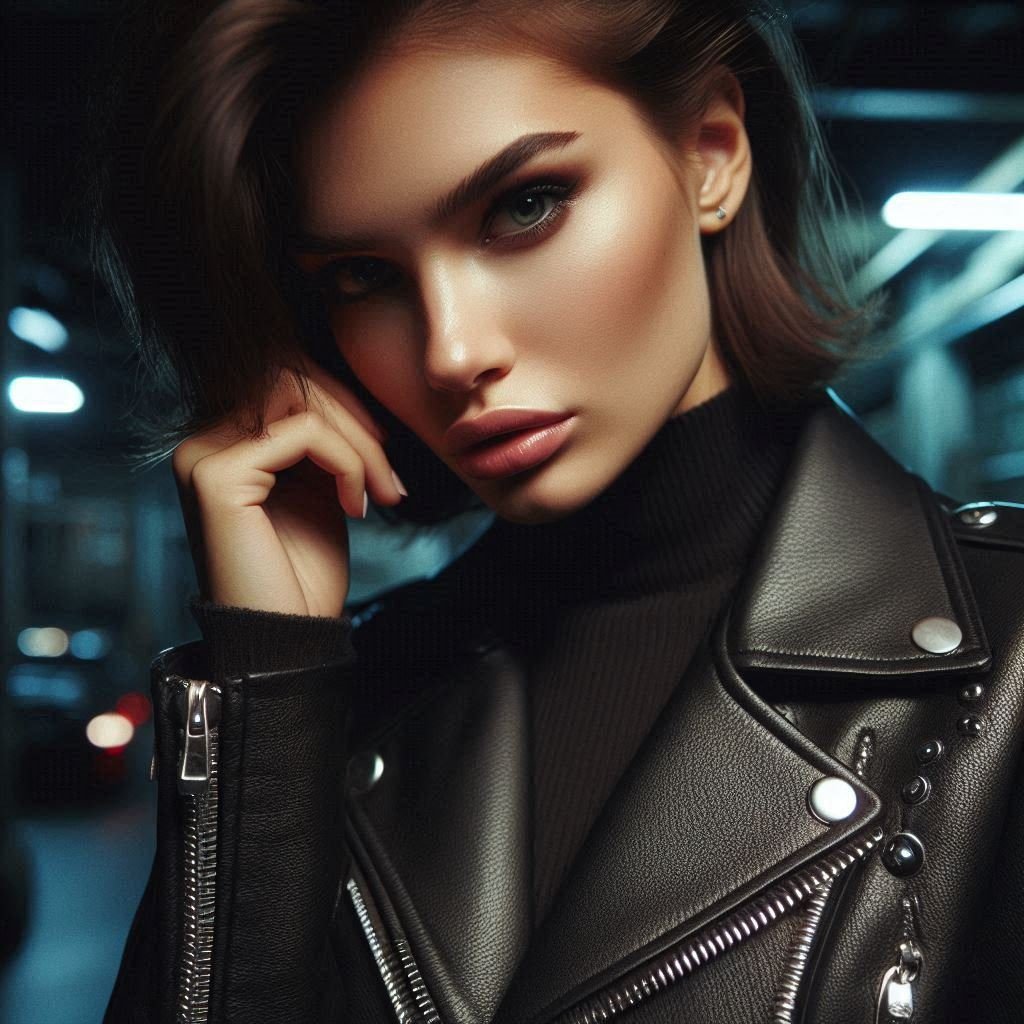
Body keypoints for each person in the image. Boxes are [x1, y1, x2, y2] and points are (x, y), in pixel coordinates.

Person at [86, 1, 1024, 1022]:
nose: (450, 349)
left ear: (710, 153)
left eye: (524, 206)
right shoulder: (348, 690)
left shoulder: (1004, 658)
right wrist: (268, 678)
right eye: (363, 277)